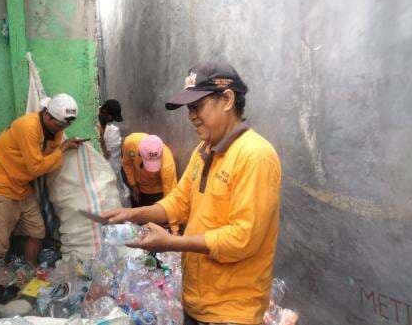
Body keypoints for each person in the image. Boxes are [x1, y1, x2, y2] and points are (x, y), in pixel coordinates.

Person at [103, 61, 282, 325]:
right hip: (197, 304)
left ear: (227, 99)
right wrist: (133, 213)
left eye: (197, 106)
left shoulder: (255, 155)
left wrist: (172, 243)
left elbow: (243, 238)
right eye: (189, 108)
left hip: (231, 313)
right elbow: (179, 201)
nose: (191, 116)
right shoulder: (205, 149)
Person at [0, 93, 85, 287]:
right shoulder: (28, 126)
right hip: (0, 186)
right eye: (59, 125)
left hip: (21, 186)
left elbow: (48, 157)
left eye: (65, 127)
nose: (62, 129)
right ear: (46, 114)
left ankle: (30, 267)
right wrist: (63, 149)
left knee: (37, 231)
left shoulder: (56, 131)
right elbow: (36, 167)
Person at [121, 133, 177, 207]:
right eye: (149, 162)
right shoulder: (130, 143)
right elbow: (127, 164)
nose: (151, 170)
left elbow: (170, 193)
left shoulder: (167, 164)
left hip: (157, 190)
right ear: (139, 153)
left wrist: (165, 208)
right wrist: (133, 184)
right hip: (138, 185)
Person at [98, 99, 127, 202]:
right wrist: (105, 151)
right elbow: (99, 138)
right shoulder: (97, 124)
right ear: (105, 112)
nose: (112, 120)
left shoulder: (104, 123)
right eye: (112, 117)